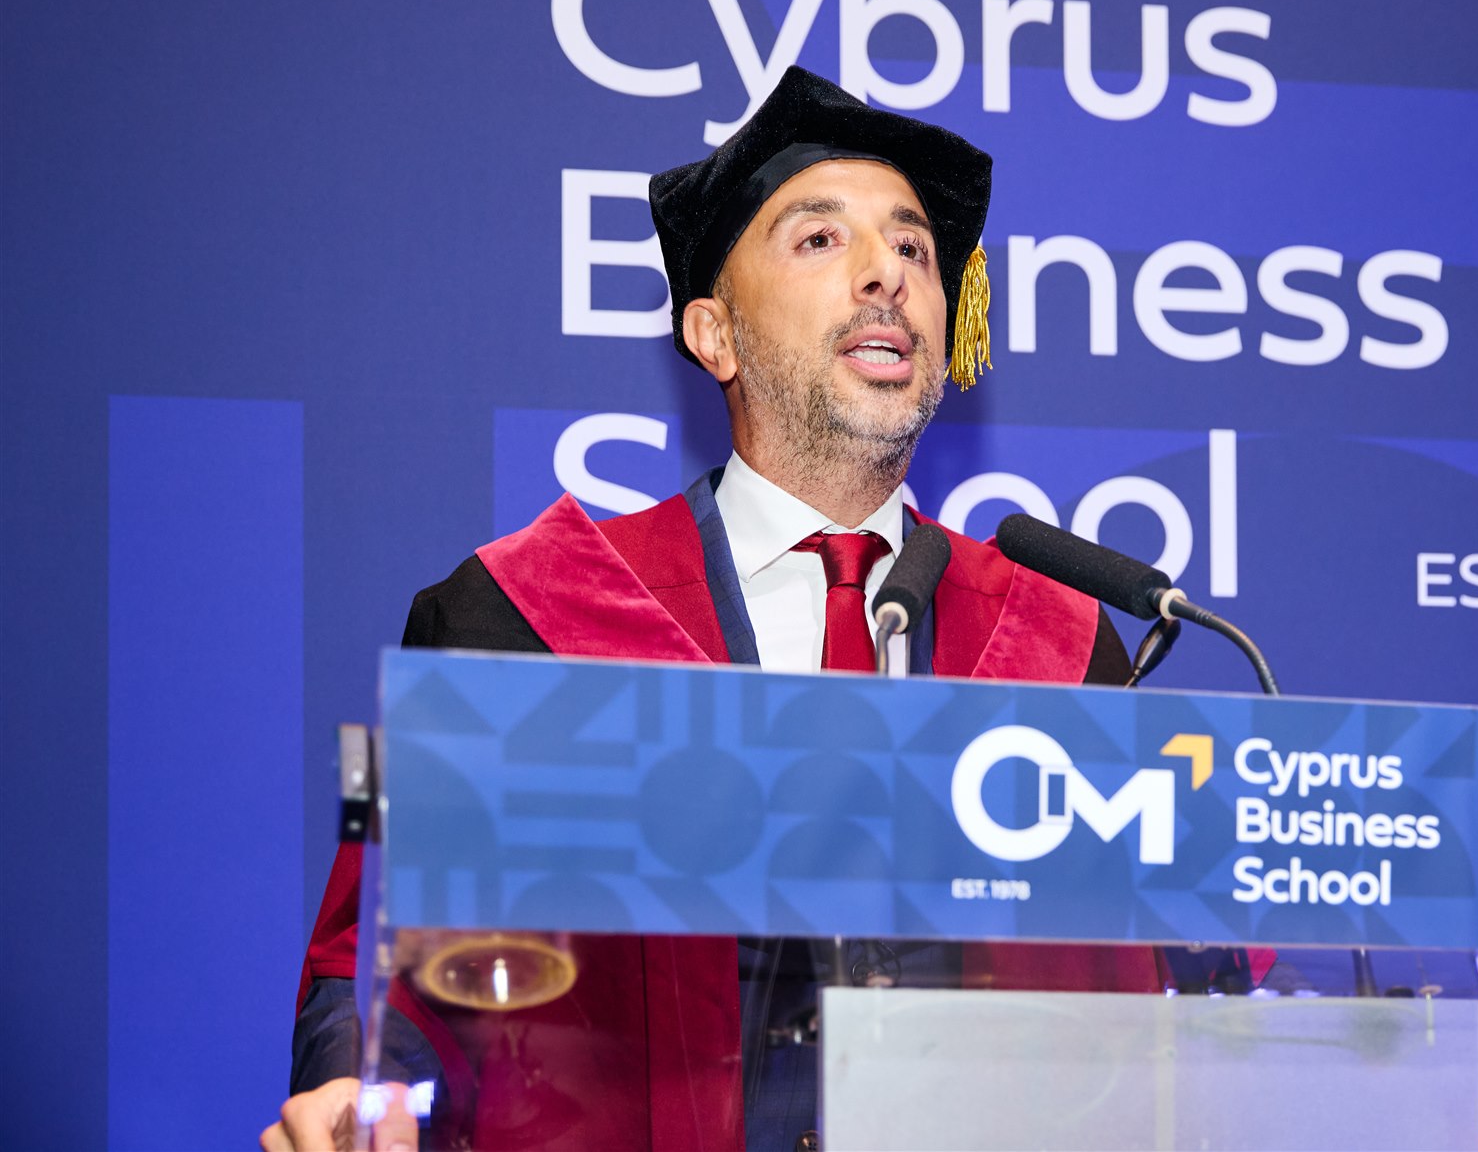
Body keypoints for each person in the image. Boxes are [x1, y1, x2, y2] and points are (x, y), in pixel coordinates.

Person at [266, 67, 1146, 1152]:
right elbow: (378, 964)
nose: (888, 273)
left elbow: (1147, 1000)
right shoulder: (524, 621)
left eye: (915, 249)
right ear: (715, 335)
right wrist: (359, 1092)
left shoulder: (1062, 648)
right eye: (820, 238)